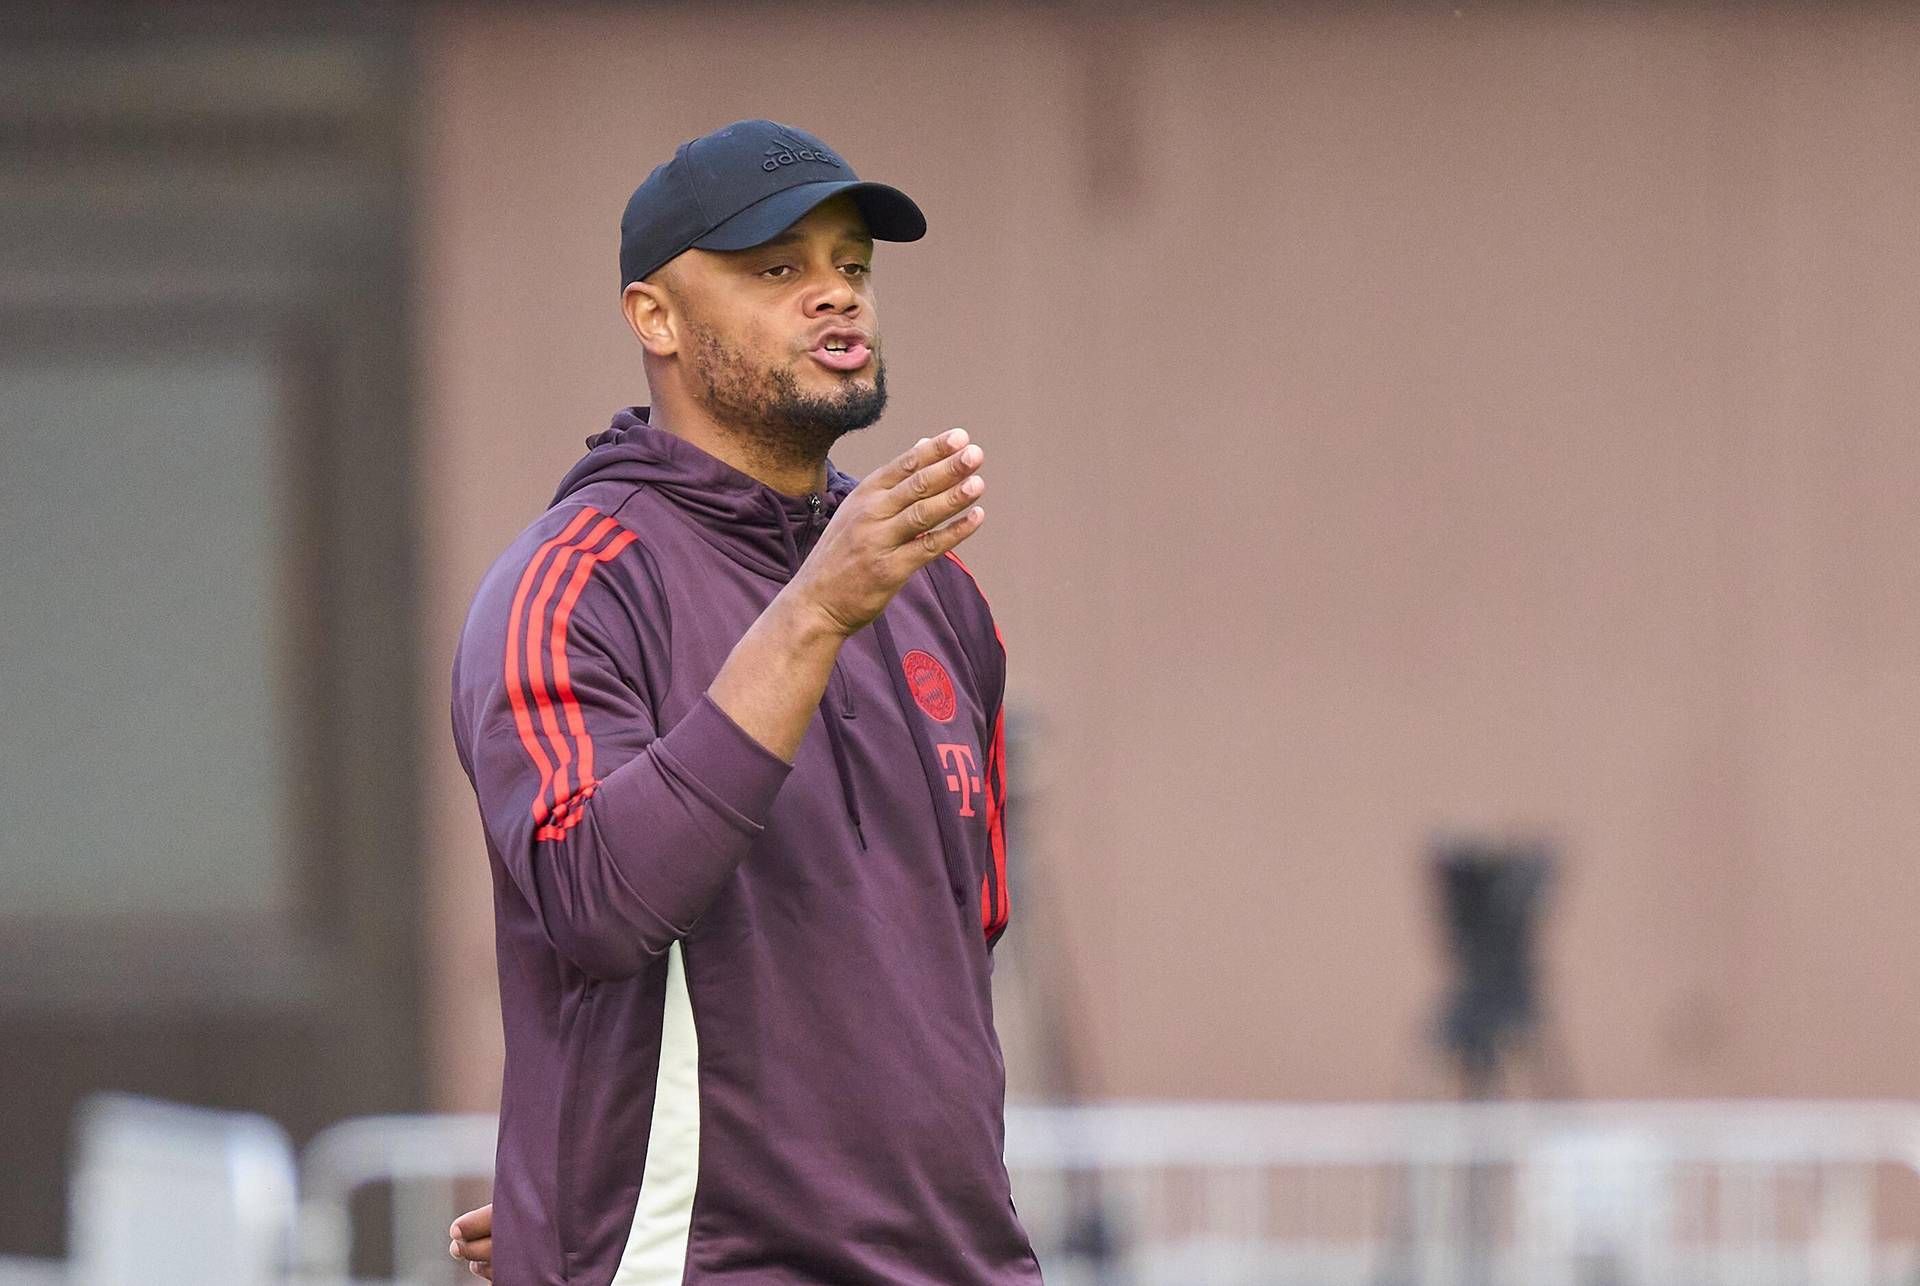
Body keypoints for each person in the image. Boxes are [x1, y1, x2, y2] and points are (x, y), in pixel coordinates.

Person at [444, 120, 1040, 1284]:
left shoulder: (939, 595)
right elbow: (598, 903)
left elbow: (941, 964)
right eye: (779, 269)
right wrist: (814, 613)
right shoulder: (573, 584)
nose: (836, 297)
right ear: (654, 317)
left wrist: (569, 1174)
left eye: (852, 265)